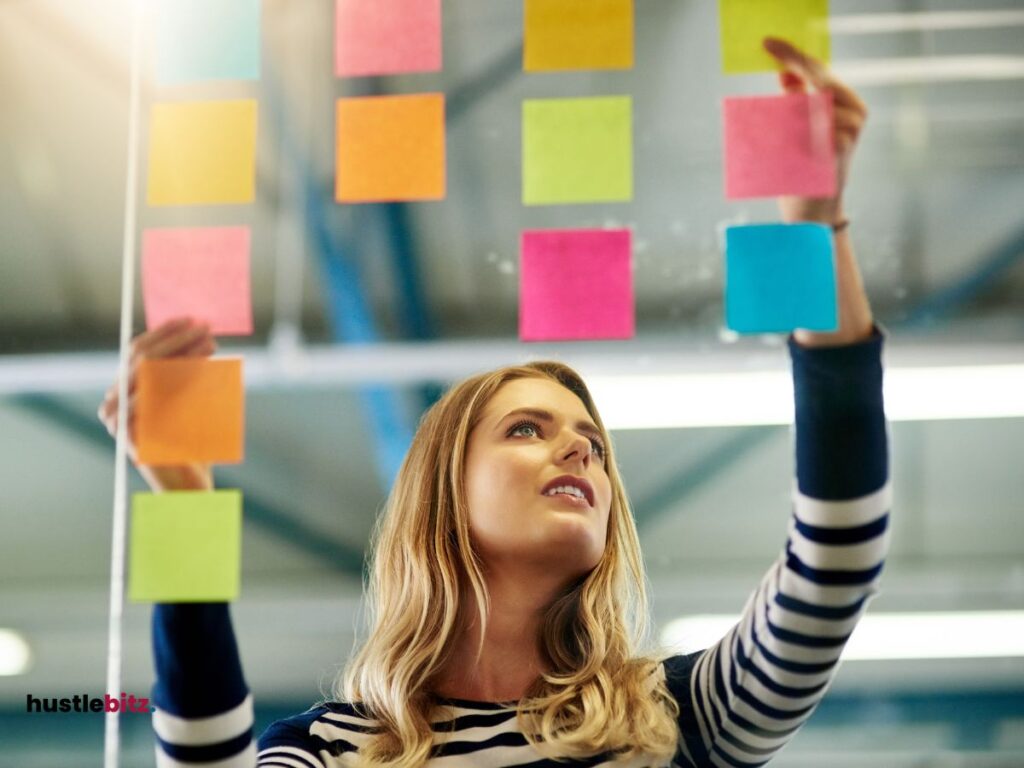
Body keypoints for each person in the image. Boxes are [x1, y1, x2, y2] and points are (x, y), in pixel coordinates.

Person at [98, 38, 890, 768]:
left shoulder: (678, 714)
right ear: (446, 488)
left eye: (594, 444)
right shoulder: (331, 748)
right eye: (526, 429)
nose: (582, 451)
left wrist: (813, 232)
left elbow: (836, 557)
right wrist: (183, 502)